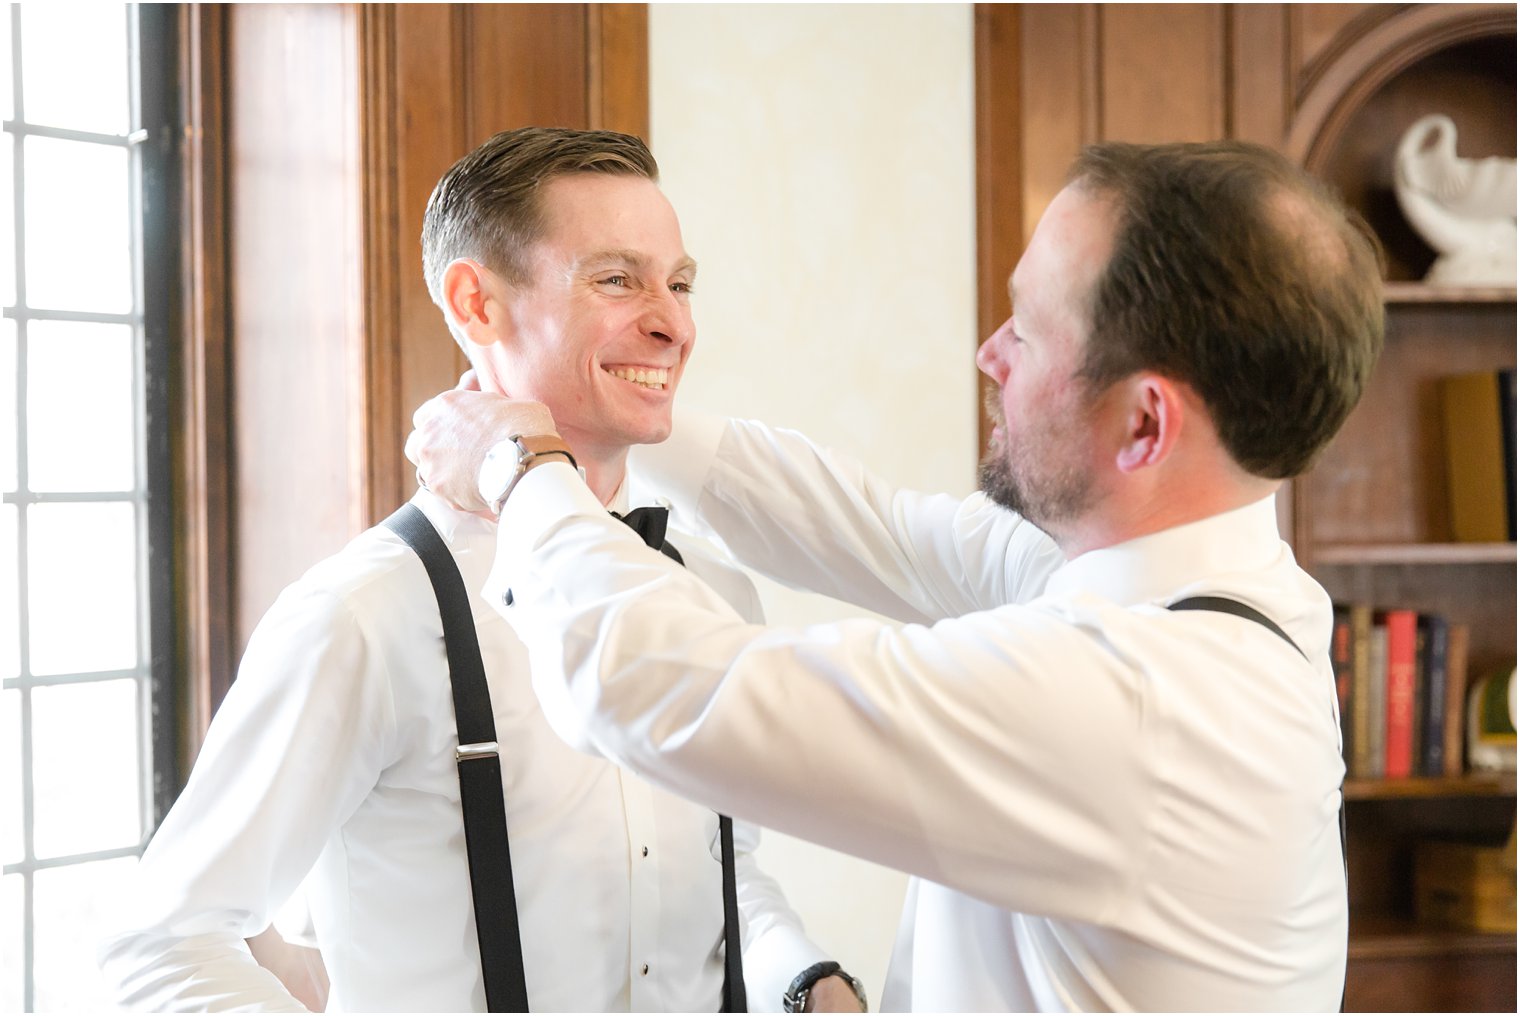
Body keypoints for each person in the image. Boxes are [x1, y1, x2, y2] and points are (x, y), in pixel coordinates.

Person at [405, 140, 1385, 1011]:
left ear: (1142, 423)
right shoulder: (1200, 579)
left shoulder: (1141, 700)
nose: (986, 355)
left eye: (1027, 331)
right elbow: (873, 529)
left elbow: (652, 683)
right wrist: (607, 409)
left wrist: (520, 466)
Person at [98, 127, 867, 1013]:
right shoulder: (363, 616)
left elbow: (725, 881)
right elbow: (160, 945)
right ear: (476, 304)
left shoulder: (710, 590)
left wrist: (808, 979)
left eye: (681, 283)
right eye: (618, 278)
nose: (676, 324)